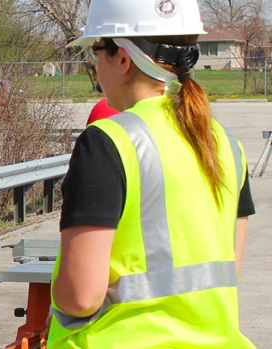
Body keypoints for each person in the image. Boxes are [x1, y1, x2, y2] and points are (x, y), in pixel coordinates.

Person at [49, 0, 255, 347]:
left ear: (124, 59)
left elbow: (80, 298)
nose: (95, 66)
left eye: (96, 52)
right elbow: (225, 270)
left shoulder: (108, 142)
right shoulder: (226, 144)